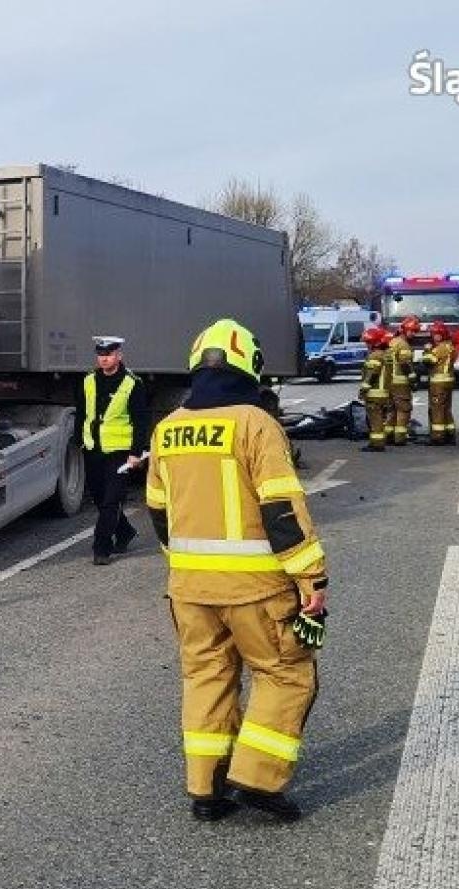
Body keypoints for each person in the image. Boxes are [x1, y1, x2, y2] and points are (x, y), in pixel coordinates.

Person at [146, 319, 328, 823]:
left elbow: (158, 511)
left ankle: (206, 789)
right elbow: (281, 509)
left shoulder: (167, 429)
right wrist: (311, 578)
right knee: (286, 674)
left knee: (206, 676)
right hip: (256, 588)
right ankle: (258, 779)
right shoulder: (255, 423)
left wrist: (185, 568)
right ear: (250, 364)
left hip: (189, 588)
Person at [79, 335, 151, 565]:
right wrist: (79, 441)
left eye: (109, 354)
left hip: (120, 452)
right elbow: (82, 413)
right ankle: (125, 531)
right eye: (100, 354)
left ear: (119, 355)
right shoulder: (88, 380)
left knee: (111, 501)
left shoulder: (132, 383)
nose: (104, 359)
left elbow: (140, 420)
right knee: (100, 499)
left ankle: (101, 547)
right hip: (93, 449)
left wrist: (136, 452)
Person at [359, 325, 393, 451]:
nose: (367, 345)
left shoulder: (374, 356)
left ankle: (377, 444)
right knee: (380, 418)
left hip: (374, 393)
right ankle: (377, 442)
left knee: (375, 419)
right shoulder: (387, 355)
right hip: (384, 392)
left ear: (375, 343)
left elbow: (371, 374)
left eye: (368, 343)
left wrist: (363, 390)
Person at [387, 316, 420, 445]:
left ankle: (389, 436)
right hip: (400, 383)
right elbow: (405, 364)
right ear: (404, 330)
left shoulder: (392, 342)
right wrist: (413, 380)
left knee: (392, 410)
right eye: (412, 331)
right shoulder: (403, 345)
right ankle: (400, 438)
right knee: (403, 409)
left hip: (389, 382)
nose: (413, 334)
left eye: (414, 331)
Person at [424, 320, 458, 444]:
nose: (434, 337)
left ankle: (438, 437)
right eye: (433, 334)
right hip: (448, 381)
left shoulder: (440, 348)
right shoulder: (450, 346)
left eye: (436, 334)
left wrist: (427, 350)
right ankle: (450, 434)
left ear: (442, 335)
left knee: (437, 409)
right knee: (446, 409)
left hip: (438, 383)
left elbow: (428, 360)